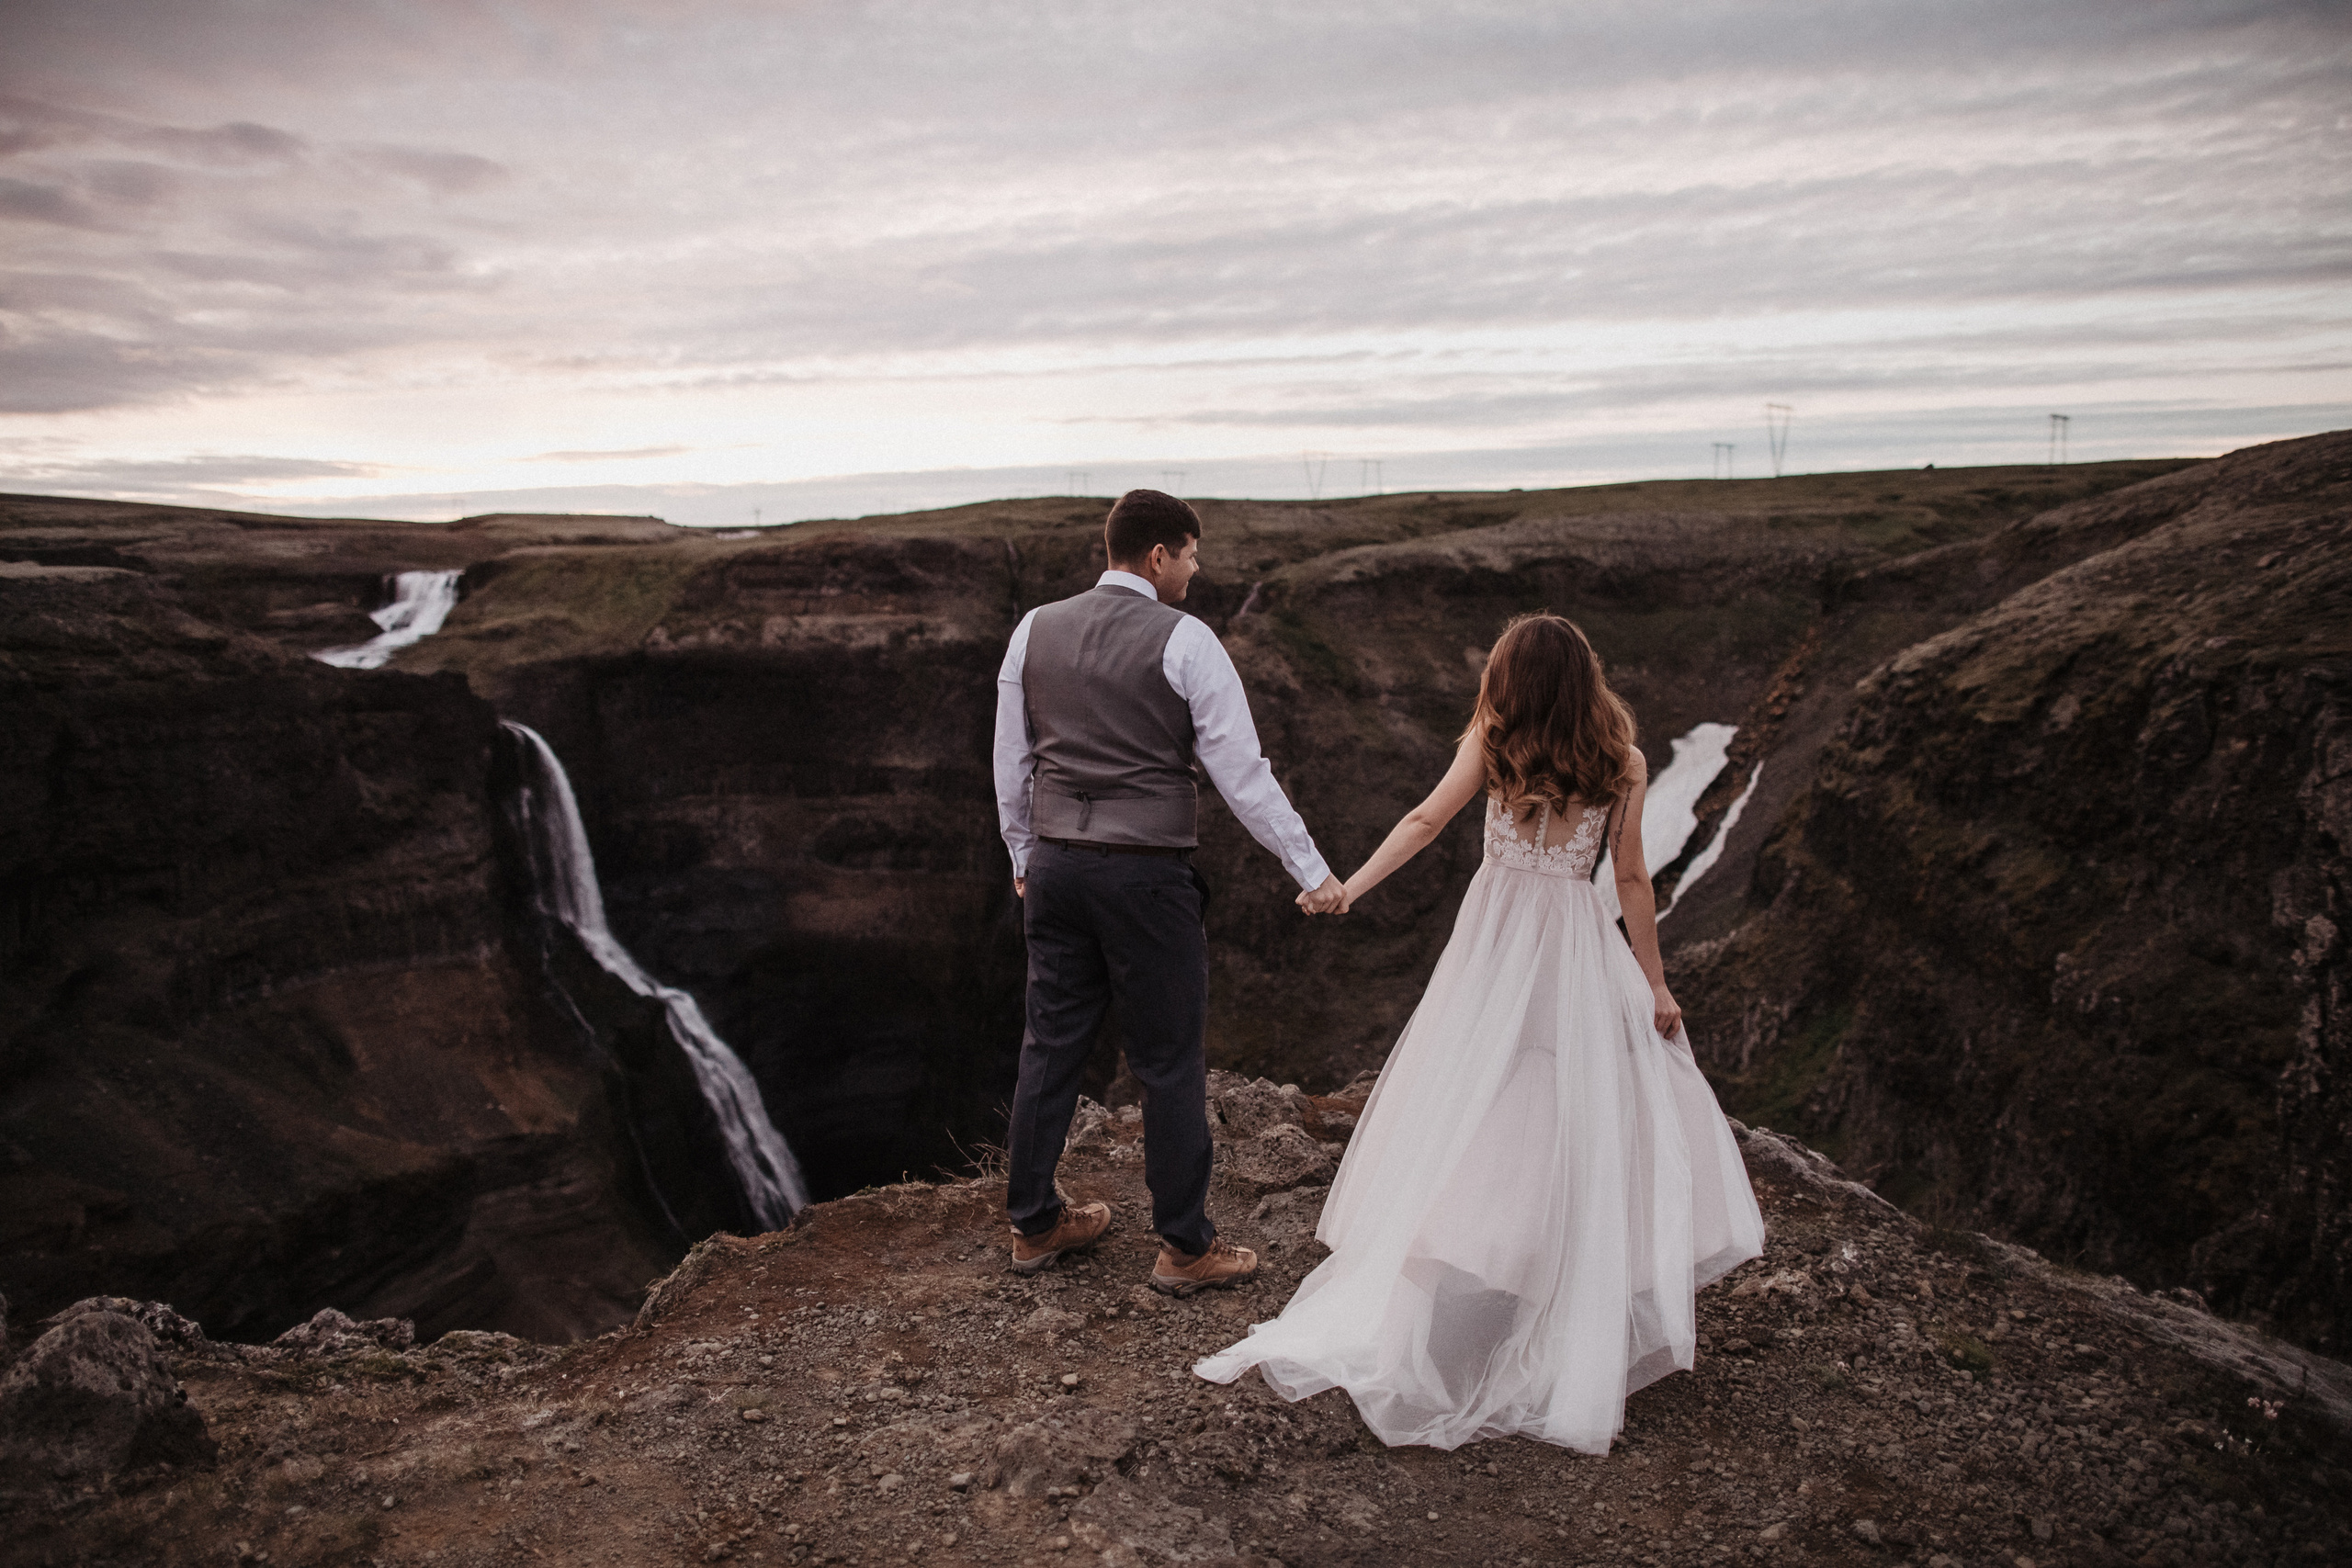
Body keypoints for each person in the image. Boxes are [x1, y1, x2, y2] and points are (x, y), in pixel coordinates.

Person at [1194, 612, 1765, 1452]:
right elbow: (1634, 877)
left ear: (1509, 681)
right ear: (1584, 679)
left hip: (1496, 941)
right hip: (1575, 944)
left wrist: (1349, 886)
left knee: (1478, 1091)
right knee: (1583, 1102)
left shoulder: (1494, 742)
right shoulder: (1622, 760)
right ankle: (1564, 1281)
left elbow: (1426, 821)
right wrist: (1653, 979)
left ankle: (1472, 1267)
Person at [993, 489, 1350, 1295]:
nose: (1196, 567)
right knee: (1167, 1059)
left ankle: (1034, 1224)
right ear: (1157, 556)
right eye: (1190, 553)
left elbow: (1011, 759)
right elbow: (1241, 774)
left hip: (1054, 864)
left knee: (1050, 1042)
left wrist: (1024, 852)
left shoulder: (1033, 629)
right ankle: (1185, 1247)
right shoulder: (1186, 639)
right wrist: (1313, 872)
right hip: (1144, 875)